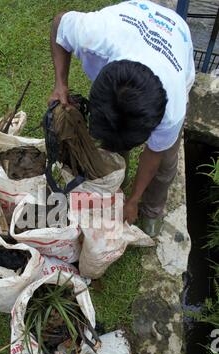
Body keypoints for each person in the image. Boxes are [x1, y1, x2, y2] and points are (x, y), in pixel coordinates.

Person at [49, 0, 195, 237]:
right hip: (130, 18)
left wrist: (134, 200)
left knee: (166, 161)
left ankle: (152, 209)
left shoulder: (172, 106)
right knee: (112, 143)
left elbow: (153, 154)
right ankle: (116, 182)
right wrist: (60, 84)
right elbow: (58, 24)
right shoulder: (93, 34)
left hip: (175, 35)